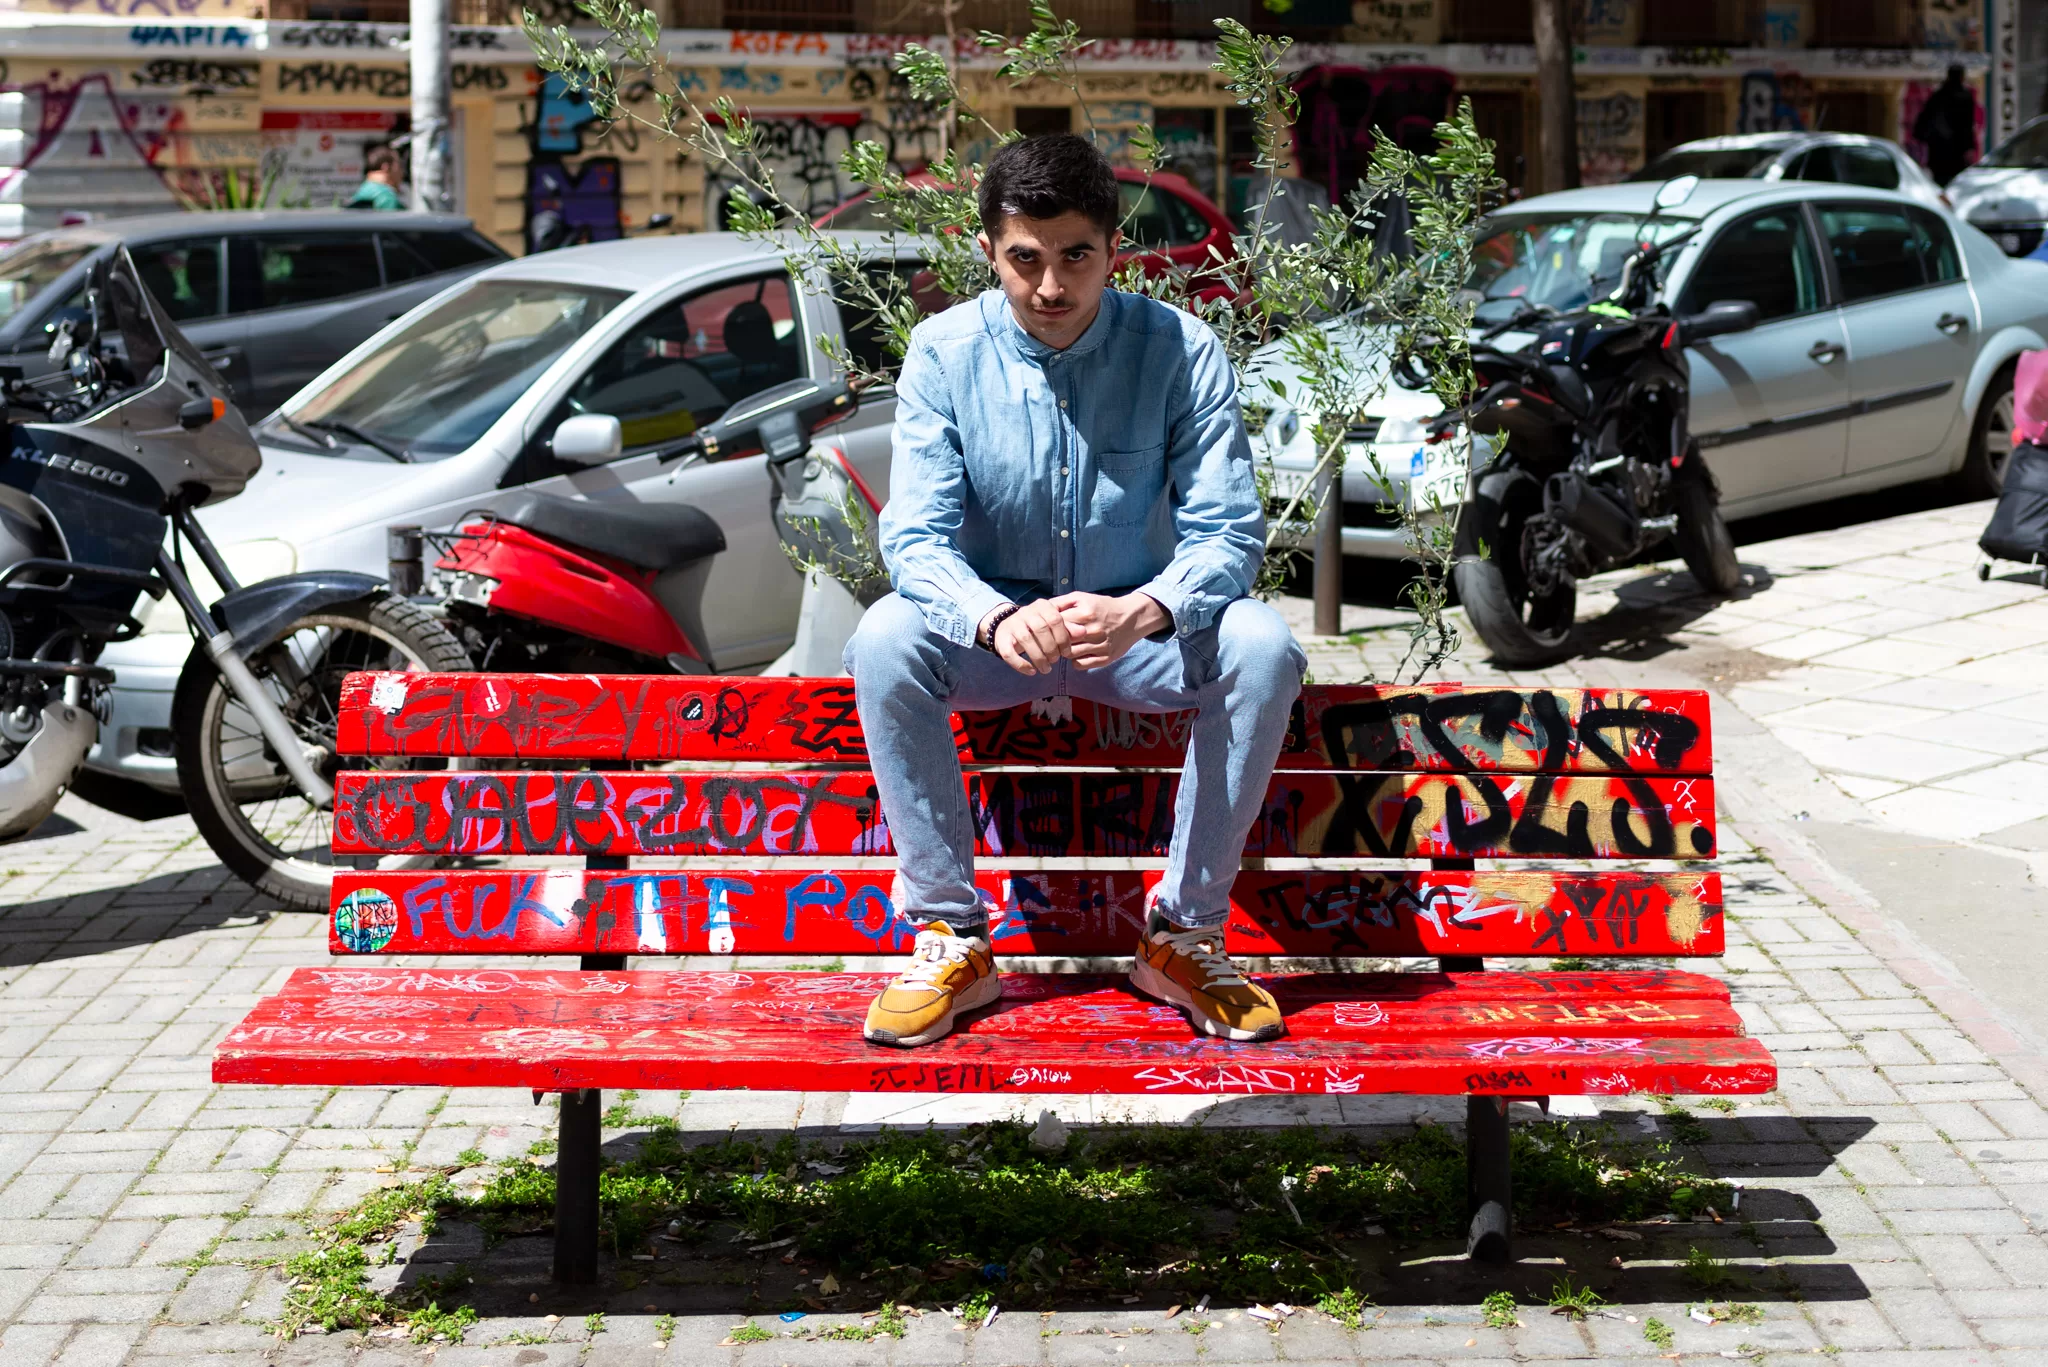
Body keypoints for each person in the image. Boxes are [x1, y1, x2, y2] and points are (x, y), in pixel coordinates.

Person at [846, 133, 1307, 1050]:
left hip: (1135, 633)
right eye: (1025, 259)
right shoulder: (941, 353)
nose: (1050, 287)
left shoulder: (1182, 348)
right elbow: (914, 538)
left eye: (1075, 257)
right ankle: (952, 936)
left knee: (1263, 646)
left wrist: (1146, 608)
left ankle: (1179, 934)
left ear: (1113, 252)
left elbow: (1228, 530)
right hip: (992, 638)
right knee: (885, 636)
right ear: (988, 251)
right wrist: (990, 615)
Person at [1914, 65, 1979, 187]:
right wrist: (1969, 147)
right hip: (1955, 152)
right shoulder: (1964, 96)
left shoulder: (1938, 95)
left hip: (1939, 151)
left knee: (1941, 184)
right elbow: (1967, 125)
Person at [345, 145, 405, 211]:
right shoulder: (387, 197)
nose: (402, 172)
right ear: (386, 167)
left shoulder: (365, 188)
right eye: (400, 166)